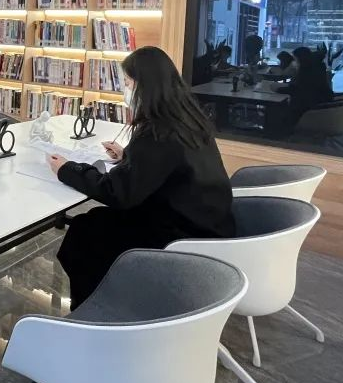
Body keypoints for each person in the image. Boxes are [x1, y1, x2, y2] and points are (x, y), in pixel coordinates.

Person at [46, 46, 236, 308]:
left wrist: (68, 169)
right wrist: (129, 156)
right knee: (91, 224)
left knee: (84, 233)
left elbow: (118, 193)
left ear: (146, 86)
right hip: (206, 227)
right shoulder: (187, 119)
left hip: (181, 239)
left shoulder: (158, 132)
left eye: (127, 83)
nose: (125, 91)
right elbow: (169, 166)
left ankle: (95, 309)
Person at [275, 46, 333, 128]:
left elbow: (299, 90)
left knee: (278, 112)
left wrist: (278, 89)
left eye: (295, 60)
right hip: (319, 104)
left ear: (300, 59)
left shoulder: (306, 70)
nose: (294, 63)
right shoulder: (316, 67)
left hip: (308, 109)